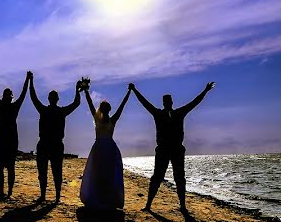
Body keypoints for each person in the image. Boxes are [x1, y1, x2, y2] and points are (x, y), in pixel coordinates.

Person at [130, 81, 215, 211]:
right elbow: (144, 102)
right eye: (167, 101)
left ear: (171, 102)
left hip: (177, 150)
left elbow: (195, 102)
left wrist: (206, 90)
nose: (169, 103)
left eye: (169, 101)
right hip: (163, 149)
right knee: (157, 177)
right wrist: (134, 90)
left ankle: (182, 206)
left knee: (179, 178)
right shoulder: (158, 114)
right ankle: (148, 205)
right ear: (164, 103)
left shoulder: (179, 113)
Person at [28, 72, 82, 203]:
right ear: (56, 99)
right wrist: (77, 90)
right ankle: (53, 197)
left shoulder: (49, 110)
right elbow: (76, 103)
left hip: (50, 144)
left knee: (49, 172)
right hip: (51, 144)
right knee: (52, 171)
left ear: (51, 99)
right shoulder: (56, 111)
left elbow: (33, 97)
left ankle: (49, 196)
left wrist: (31, 81)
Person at [80, 83, 131, 210]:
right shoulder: (97, 119)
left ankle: (107, 198)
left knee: (108, 173)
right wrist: (86, 91)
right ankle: (100, 197)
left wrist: (129, 93)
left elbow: (122, 106)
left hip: (108, 148)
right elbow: (90, 103)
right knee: (98, 173)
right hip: (101, 148)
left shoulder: (112, 120)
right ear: (104, 110)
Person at [0, 65, 29, 199]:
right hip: (4, 138)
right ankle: (5, 192)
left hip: (6, 138)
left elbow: (23, 93)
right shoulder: (6, 105)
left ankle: (6, 192)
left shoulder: (8, 105)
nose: (8, 96)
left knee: (6, 167)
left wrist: (27, 79)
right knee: (4, 167)